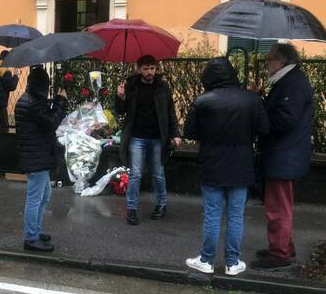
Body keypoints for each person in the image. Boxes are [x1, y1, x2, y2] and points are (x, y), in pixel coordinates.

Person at [183, 58, 270, 276]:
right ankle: (232, 262)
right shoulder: (251, 99)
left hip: (211, 165)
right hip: (241, 166)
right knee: (236, 216)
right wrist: (256, 100)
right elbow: (264, 128)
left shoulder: (202, 101)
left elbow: (190, 132)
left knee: (212, 215)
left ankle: (206, 260)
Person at [251, 43, 313, 270]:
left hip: (283, 155)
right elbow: (282, 113)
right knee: (279, 204)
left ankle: (279, 254)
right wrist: (262, 99)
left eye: (269, 60)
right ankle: (284, 246)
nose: (267, 64)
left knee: (278, 207)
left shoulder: (292, 84)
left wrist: (260, 114)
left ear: (281, 61)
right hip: (284, 154)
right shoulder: (290, 81)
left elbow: (285, 119)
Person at [115, 55, 181, 225]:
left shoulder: (162, 87)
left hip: (158, 137)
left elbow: (170, 112)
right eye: (146, 68)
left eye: (152, 68)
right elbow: (120, 111)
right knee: (135, 175)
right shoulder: (131, 86)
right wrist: (120, 97)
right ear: (138, 69)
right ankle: (131, 209)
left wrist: (175, 134)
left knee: (158, 174)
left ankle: (161, 204)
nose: (149, 72)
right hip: (137, 137)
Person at [14, 67, 67, 252]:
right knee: (35, 198)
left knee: (45, 196)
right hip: (36, 158)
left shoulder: (31, 100)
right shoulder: (33, 103)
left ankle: (35, 230)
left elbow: (44, 121)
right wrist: (61, 101)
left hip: (37, 156)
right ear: (42, 86)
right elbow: (51, 123)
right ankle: (31, 238)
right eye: (47, 85)